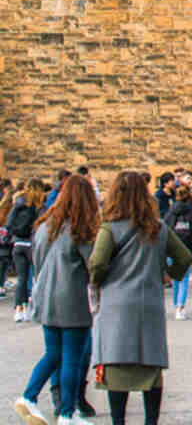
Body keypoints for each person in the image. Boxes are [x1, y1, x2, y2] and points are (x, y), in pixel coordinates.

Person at [90, 171, 192, 425]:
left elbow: (97, 264)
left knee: (116, 368)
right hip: (149, 304)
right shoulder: (159, 228)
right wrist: (168, 275)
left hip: (117, 306)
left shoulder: (110, 228)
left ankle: (118, 422)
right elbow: (184, 258)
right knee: (150, 369)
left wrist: (99, 282)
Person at [15, 174, 98, 425]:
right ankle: (66, 414)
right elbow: (94, 265)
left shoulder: (44, 226)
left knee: (53, 354)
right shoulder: (80, 229)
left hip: (45, 297)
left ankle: (30, 397)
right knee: (73, 358)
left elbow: (36, 262)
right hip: (71, 300)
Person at [163, 186, 192, 320]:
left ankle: (176, 306)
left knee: (175, 279)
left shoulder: (170, 215)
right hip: (186, 249)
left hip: (172, 251)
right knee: (184, 280)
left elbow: (164, 232)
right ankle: (180, 307)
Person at [7, 180, 42, 323]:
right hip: (31, 244)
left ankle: (18, 310)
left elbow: (9, 223)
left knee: (21, 279)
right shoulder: (36, 206)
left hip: (18, 243)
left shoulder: (18, 203)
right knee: (35, 277)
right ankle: (31, 308)